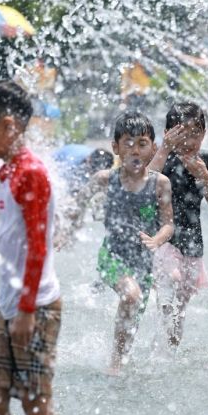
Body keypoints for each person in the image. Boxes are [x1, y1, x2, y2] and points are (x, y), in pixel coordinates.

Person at [0, 80, 62, 415]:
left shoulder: (30, 173)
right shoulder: (7, 171)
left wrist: (25, 311)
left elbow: (38, 247)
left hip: (34, 307)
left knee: (36, 404)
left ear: (7, 125)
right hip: (11, 306)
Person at [67, 111, 174, 373]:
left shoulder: (160, 184)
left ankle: (118, 362)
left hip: (143, 262)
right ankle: (114, 367)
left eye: (142, 144)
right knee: (131, 295)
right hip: (112, 255)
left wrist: (157, 239)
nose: (135, 150)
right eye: (127, 143)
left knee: (133, 315)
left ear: (153, 148)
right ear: (115, 147)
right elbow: (78, 204)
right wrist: (68, 230)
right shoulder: (105, 179)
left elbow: (169, 223)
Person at [148, 102, 208, 350]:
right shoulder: (161, 157)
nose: (190, 141)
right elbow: (144, 184)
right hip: (164, 239)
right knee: (167, 294)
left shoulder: (205, 160)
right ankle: (159, 340)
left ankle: (171, 348)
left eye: (196, 134)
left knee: (181, 305)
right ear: (169, 133)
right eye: (183, 134)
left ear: (204, 134)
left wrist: (204, 176)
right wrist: (164, 150)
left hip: (192, 243)